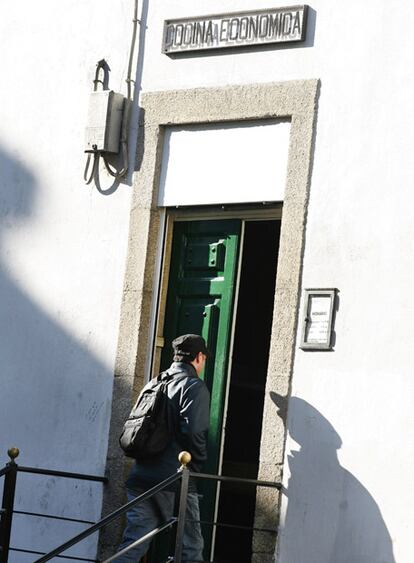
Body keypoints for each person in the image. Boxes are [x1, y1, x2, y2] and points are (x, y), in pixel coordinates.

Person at [114, 334, 211, 563]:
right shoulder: (194, 386)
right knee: (190, 549)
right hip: (174, 480)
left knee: (133, 544)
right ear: (198, 357)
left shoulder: (154, 382)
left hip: (141, 477)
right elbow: (194, 432)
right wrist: (197, 466)